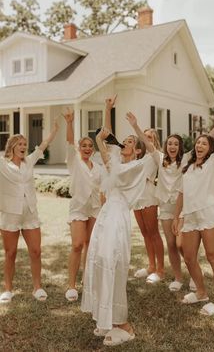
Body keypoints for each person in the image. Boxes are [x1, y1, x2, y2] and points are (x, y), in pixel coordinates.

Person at [127, 112, 214, 292]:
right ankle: (178, 278)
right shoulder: (159, 157)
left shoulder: (187, 158)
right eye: (170, 143)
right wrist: (135, 125)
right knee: (171, 244)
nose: (172, 146)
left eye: (176, 144)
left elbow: (206, 140)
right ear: (166, 146)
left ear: (180, 147)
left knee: (183, 245)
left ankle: (195, 275)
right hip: (165, 208)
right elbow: (147, 142)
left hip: (182, 208)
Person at [81, 98, 149, 347]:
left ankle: (124, 325)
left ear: (137, 150)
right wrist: (107, 110)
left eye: (131, 142)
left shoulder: (139, 165)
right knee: (99, 260)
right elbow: (106, 138)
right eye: (126, 140)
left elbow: (155, 152)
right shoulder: (115, 162)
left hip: (119, 216)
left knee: (112, 262)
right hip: (106, 214)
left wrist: (137, 127)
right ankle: (106, 317)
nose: (126, 143)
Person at [172, 94, 214, 316]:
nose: (200, 145)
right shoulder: (187, 167)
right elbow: (181, 193)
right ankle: (200, 292)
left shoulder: (212, 163)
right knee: (188, 255)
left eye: (204, 143)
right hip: (189, 216)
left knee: (212, 256)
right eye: (198, 143)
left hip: (208, 214)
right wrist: (176, 216)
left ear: (209, 149)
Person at [0, 120, 59, 303]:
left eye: (25, 144)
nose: (24, 147)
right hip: (10, 214)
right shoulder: (2, 164)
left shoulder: (29, 161)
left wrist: (55, 129)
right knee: (10, 253)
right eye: (20, 144)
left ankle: (37, 288)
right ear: (12, 147)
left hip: (30, 213)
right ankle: (8, 290)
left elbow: (43, 146)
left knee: (35, 251)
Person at [63, 108, 102, 302]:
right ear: (80, 148)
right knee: (77, 244)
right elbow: (69, 142)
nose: (87, 148)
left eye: (90, 146)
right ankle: (71, 285)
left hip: (95, 208)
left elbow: (103, 190)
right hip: (78, 207)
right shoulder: (74, 162)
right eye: (83, 145)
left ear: (93, 150)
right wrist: (69, 122)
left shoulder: (98, 168)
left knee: (90, 245)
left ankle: (88, 281)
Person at [133, 128, 165, 284]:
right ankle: (151, 266)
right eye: (145, 137)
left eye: (150, 137)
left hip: (148, 194)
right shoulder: (138, 155)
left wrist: (135, 125)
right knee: (145, 232)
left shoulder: (155, 154)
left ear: (155, 140)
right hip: (136, 195)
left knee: (153, 233)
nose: (147, 139)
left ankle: (160, 270)